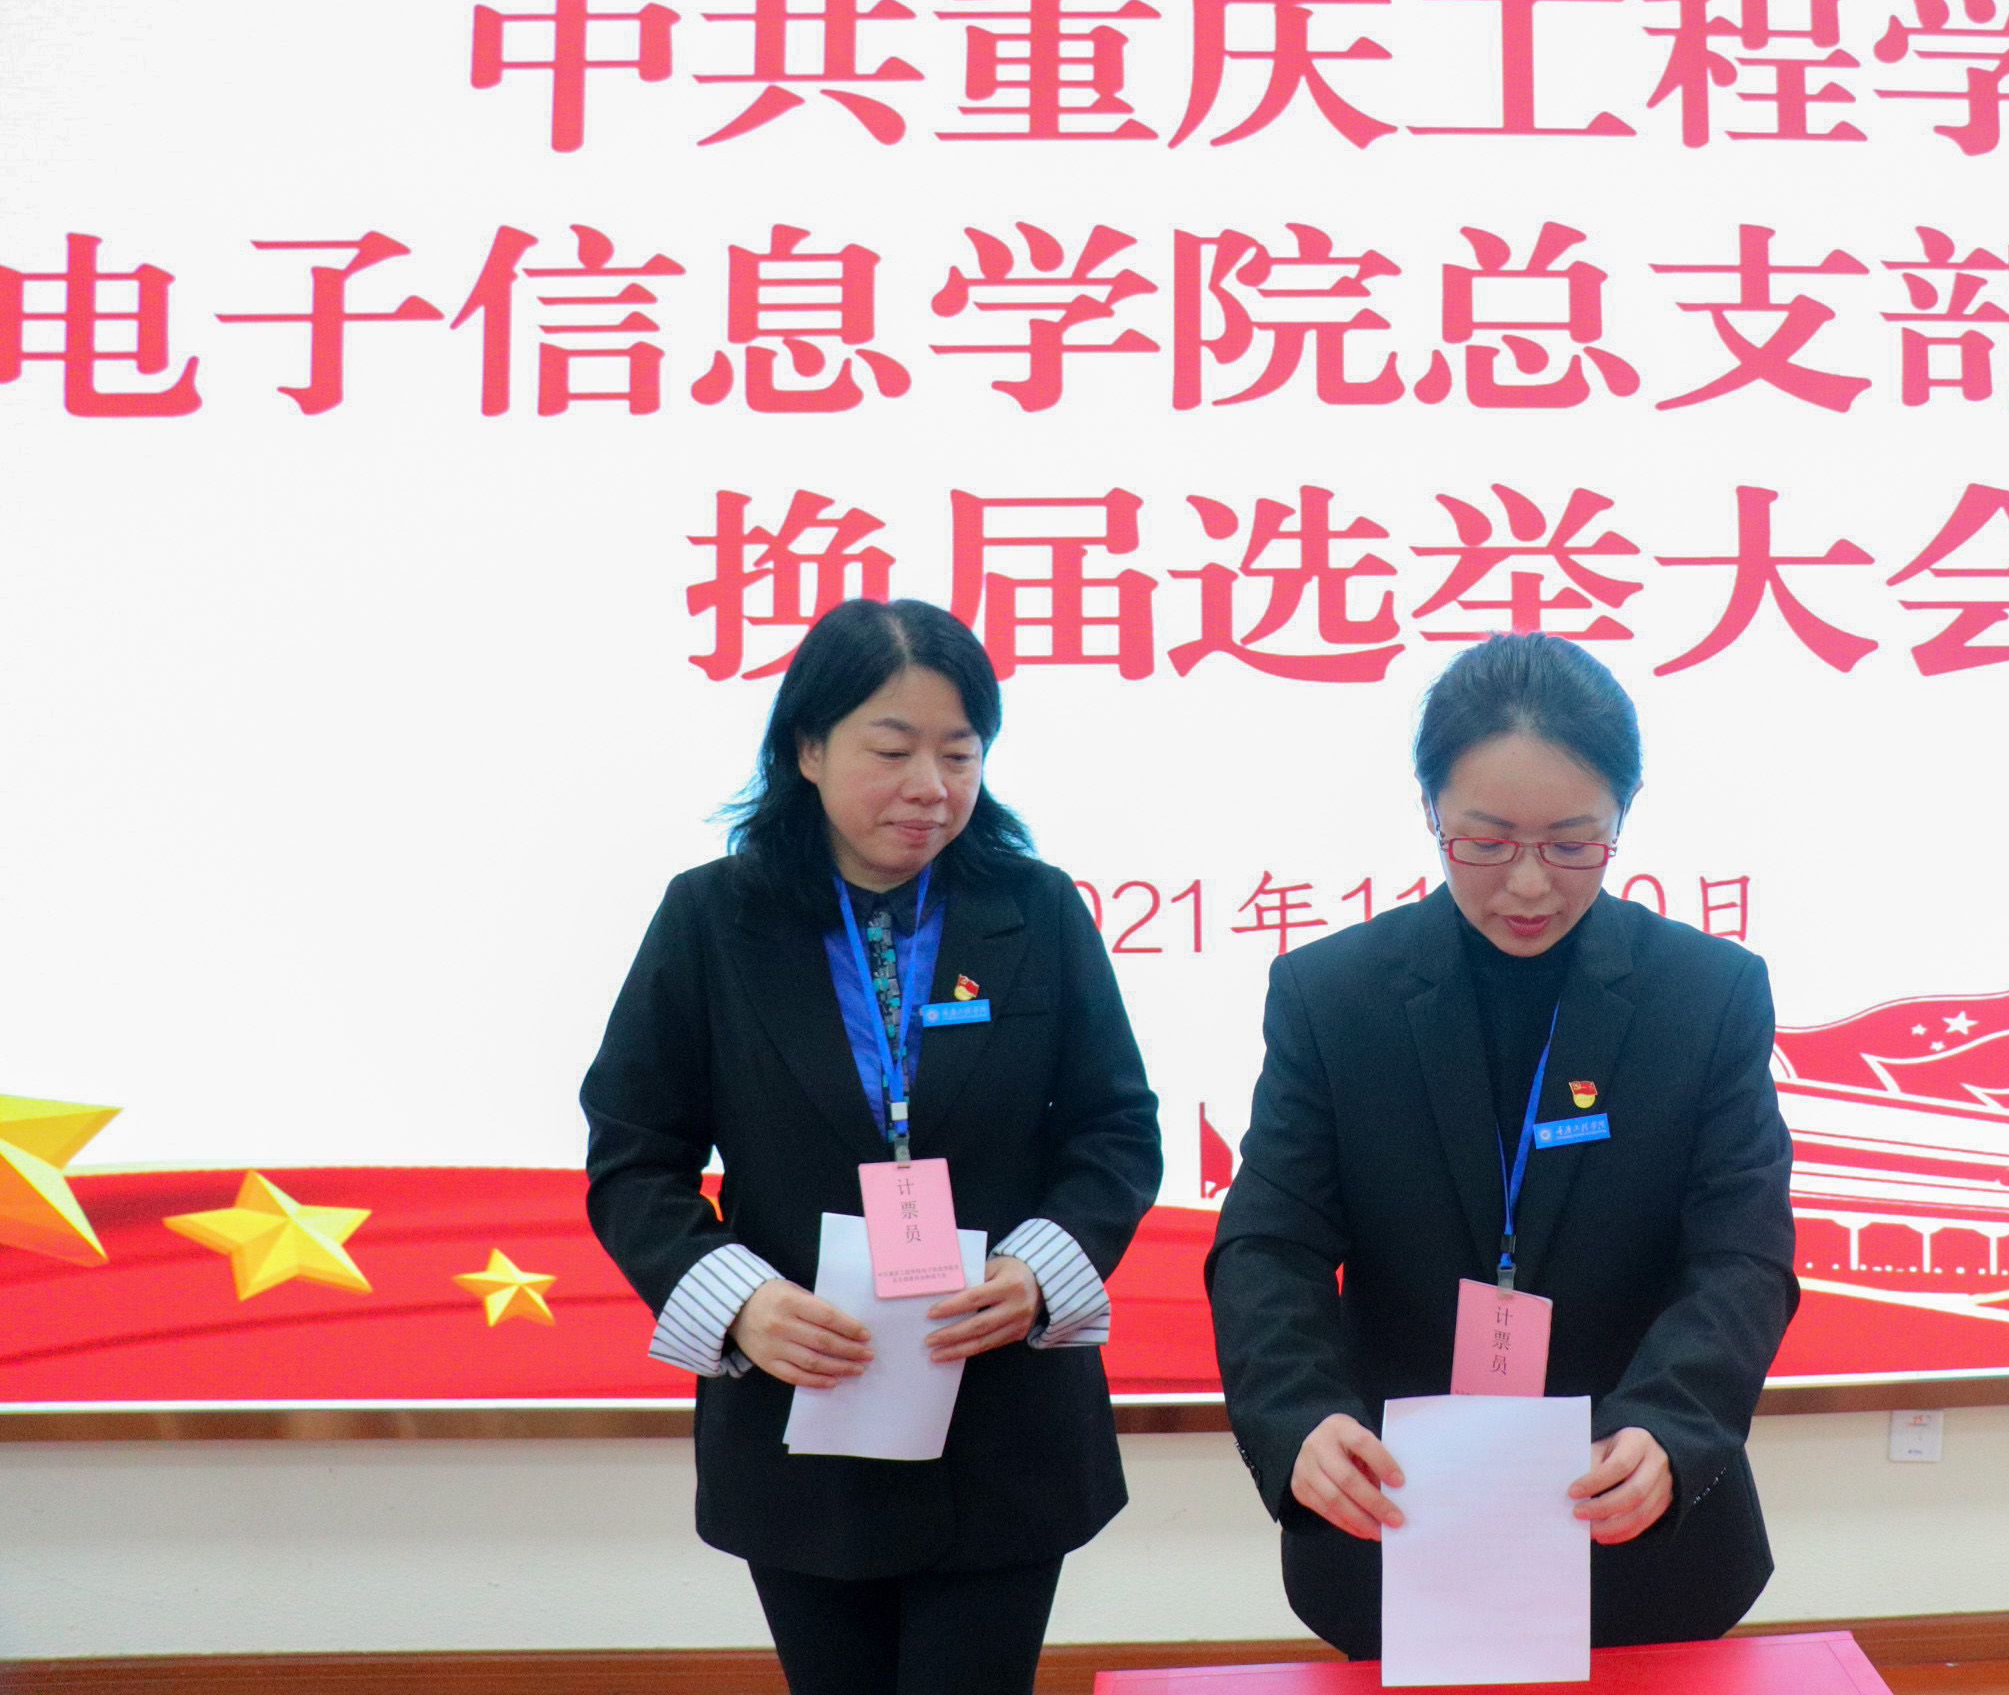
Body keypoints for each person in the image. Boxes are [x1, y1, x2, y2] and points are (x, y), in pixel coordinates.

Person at [583, 598, 1160, 1695]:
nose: (930, 786)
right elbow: (634, 1155)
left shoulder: (1035, 909)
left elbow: (1116, 1130)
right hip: (807, 1409)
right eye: (892, 751)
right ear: (808, 747)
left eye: (960, 753)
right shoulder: (713, 920)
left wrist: (1040, 1270)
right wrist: (742, 1301)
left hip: (999, 1411)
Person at [1206, 631, 1798, 1658]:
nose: (1528, 886)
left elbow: (1741, 1253)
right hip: (1397, 1512)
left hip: (1633, 1520)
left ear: (1623, 814)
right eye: (1485, 842)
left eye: (1572, 844)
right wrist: (1299, 1416)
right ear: (1431, 810)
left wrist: (1670, 1426)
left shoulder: (1706, 994)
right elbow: (1269, 1243)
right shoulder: (1334, 996)